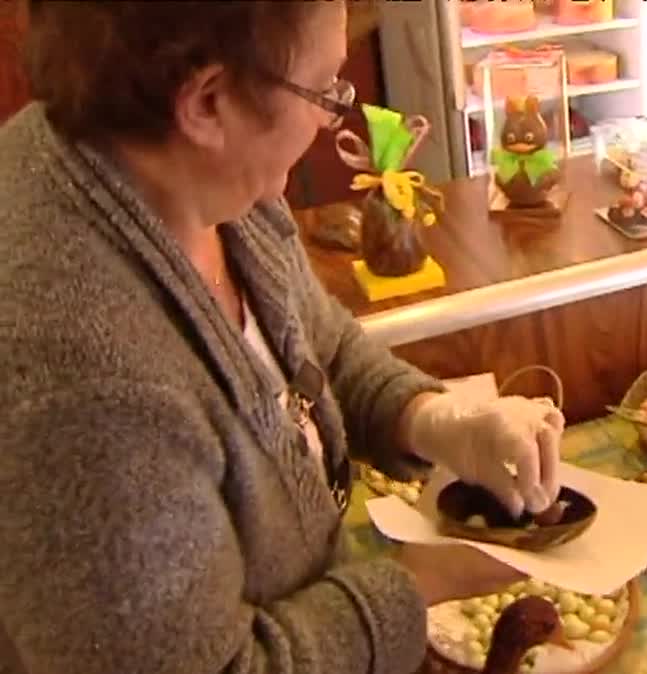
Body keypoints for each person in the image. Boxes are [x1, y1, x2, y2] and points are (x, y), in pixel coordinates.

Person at [0, 3, 566, 673]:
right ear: (208, 102)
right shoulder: (83, 388)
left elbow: (317, 344)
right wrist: (418, 585)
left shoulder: (194, 175)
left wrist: (433, 419)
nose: (332, 119)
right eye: (325, 91)